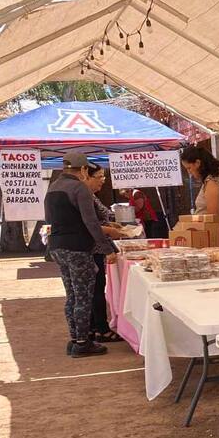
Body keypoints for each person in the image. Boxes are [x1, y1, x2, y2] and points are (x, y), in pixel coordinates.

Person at [45, 152, 120, 357]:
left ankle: (74, 338)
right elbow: (91, 223)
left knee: (71, 296)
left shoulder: (53, 188)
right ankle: (82, 342)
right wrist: (107, 249)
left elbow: (50, 219)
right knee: (83, 296)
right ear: (84, 170)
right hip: (78, 248)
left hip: (57, 247)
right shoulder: (79, 188)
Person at [86, 164, 125, 343]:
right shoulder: (84, 196)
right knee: (95, 289)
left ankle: (95, 326)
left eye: (104, 176)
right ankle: (100, 328)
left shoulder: (91, 196)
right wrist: (109, 231)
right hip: (93, 249)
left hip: (98, 247)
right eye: (99, 176)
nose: (103, 180)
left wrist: (111, 225)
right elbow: (91, 226)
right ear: (86, 176)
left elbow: (101, 218)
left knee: (96, 289)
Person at [181, 144, 219, 218]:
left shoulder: (213, 181)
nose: (189, 172)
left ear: (197, 163)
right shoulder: (211, 179)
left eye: (189, 168)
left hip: (215, 228)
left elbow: (213, 217)